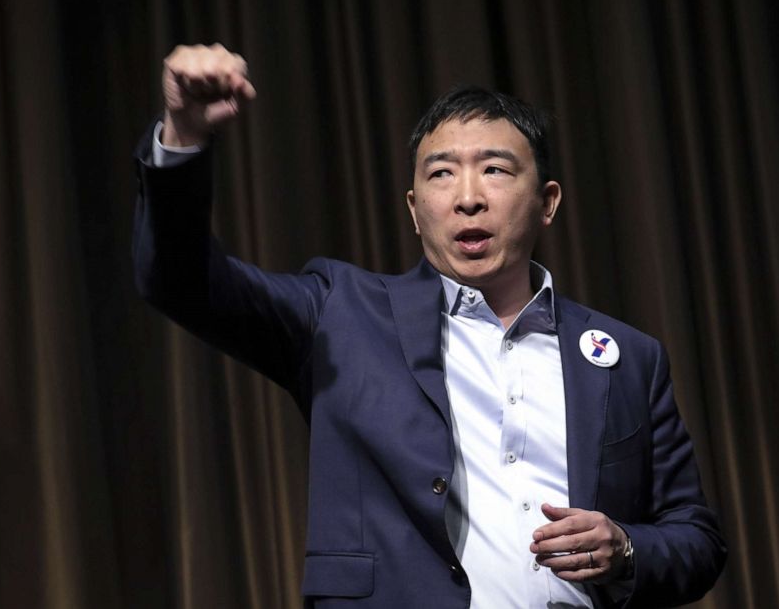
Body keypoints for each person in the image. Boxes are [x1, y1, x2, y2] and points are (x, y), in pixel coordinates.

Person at [133, 43, 726, 608]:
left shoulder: (627, 356)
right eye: (442, 174)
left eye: (495, 169)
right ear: (415, 210)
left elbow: (697, 539)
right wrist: (184, 136)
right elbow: (181, 280)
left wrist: (624, 548)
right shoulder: (341, 314)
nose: (468, 197)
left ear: (546, 202)